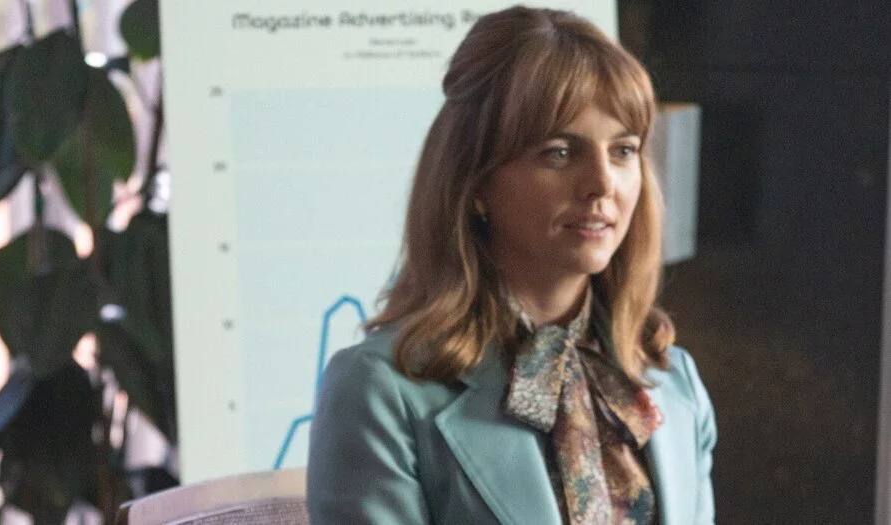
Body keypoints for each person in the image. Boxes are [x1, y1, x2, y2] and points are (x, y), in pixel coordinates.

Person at [306, 7, 716, 525]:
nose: (602, 184)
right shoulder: (378, 391)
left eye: (623, 151)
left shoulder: (675, 383)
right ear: (475, 181)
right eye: (560, 152)